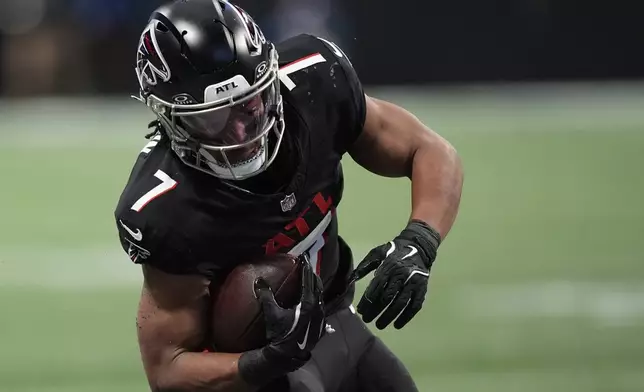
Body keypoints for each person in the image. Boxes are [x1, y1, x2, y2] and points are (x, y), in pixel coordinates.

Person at [114, 0, 463, 391]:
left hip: (339, 323)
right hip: (250, 374)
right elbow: (167, 369)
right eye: (214, 119)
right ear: (170, 118)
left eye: (250, 105)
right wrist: (266, 360)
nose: (243, 135)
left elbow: (430, 151)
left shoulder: (315, 83)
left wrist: (420, 241)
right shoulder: (166, 207)